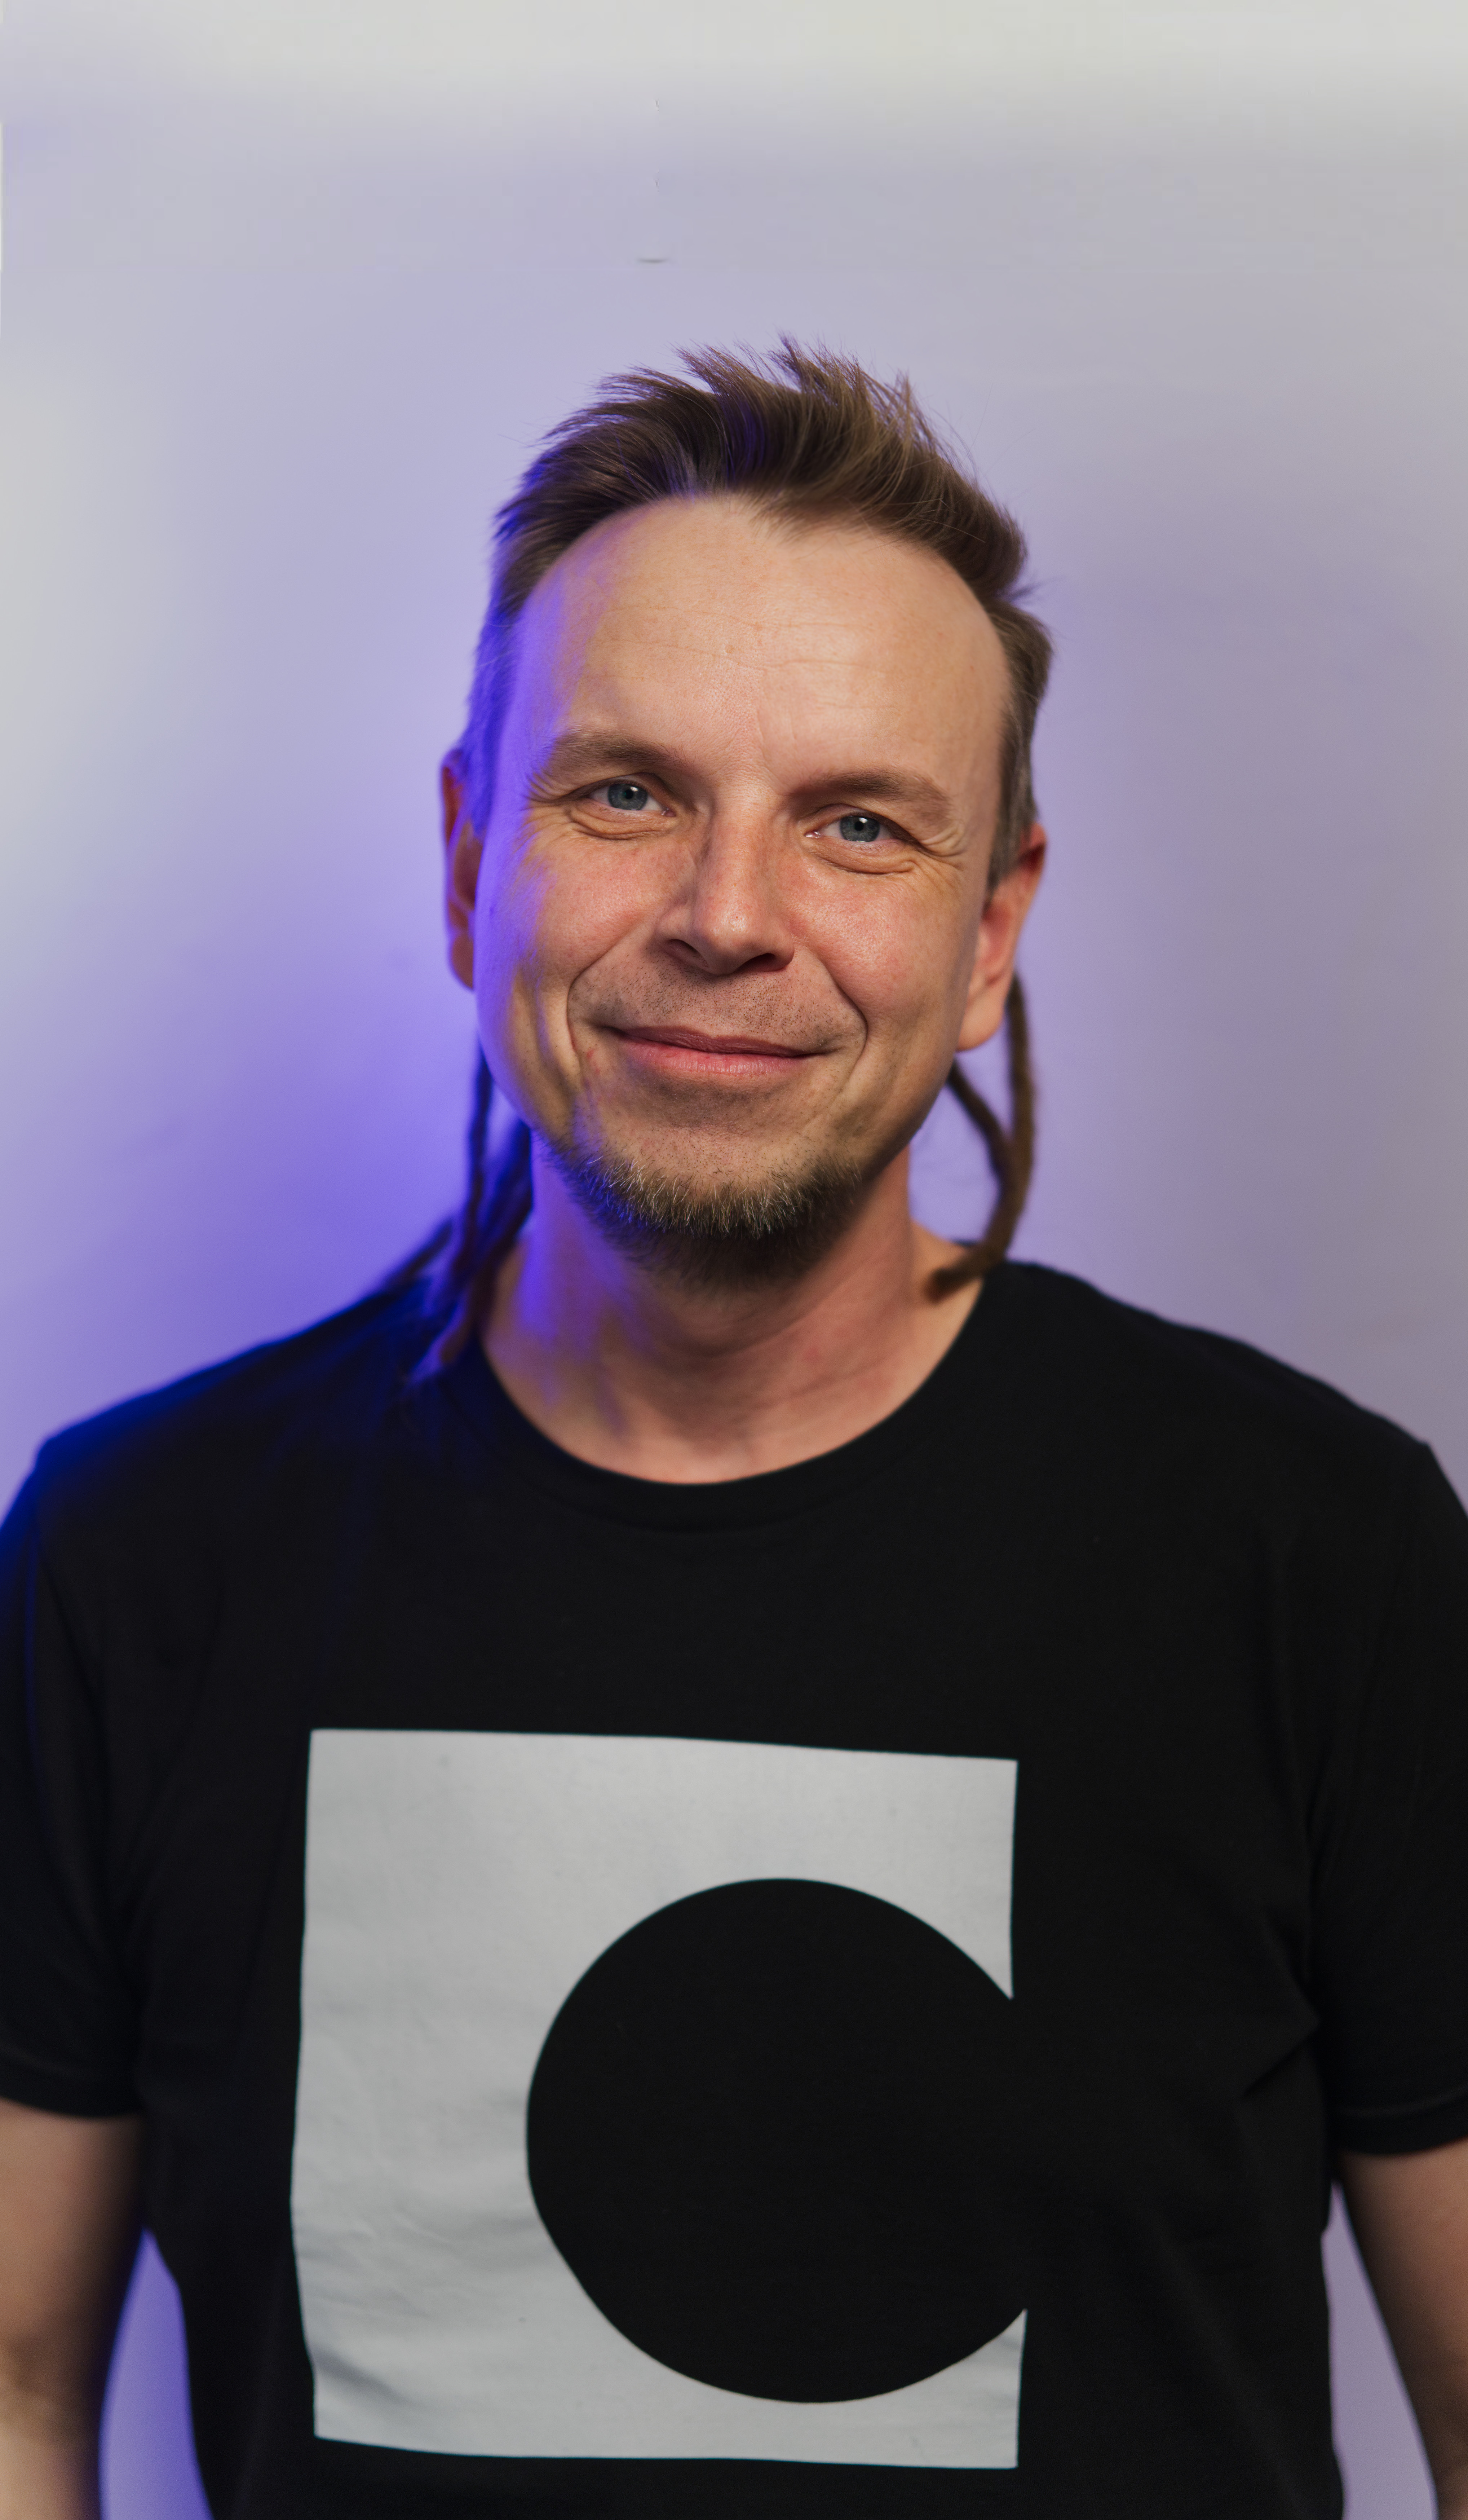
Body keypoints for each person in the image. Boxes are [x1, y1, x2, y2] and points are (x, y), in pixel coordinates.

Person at [1, 343, 1466, 2520]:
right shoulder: (137, 1556)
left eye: (858, 824)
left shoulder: (1317, 1557)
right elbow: (18, 2394)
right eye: (624, 794)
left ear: (990, 932)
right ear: (465, 858)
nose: (725, 916)